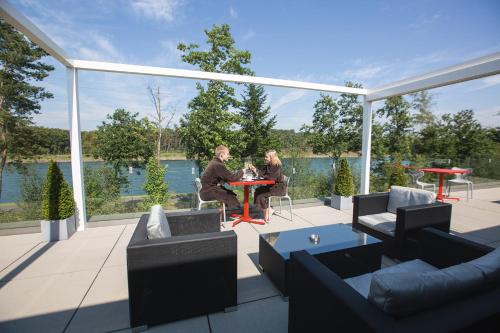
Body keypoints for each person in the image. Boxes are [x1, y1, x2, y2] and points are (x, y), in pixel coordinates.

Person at [200, 145, 244, 212]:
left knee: (229, 193)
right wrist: (243, 171)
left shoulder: (215, 162)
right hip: (207, 192)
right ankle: (222, 213)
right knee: (230, 195)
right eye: (227, 154)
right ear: (221, 155)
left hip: (207, 190)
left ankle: (224, 212)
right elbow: (231, 178)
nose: (229, 156)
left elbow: (227, 175)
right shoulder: (217, 165)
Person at [249, 150, 286, 222]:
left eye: (266, 157)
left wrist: (260, 174)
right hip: (271, 187)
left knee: (261, 195)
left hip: (278, 188)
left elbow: (271, 178)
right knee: (258, 190)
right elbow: (262, 173)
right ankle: (266, 210)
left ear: (272, 158)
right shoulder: (268, 165)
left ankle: (267, 213)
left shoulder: (277, 166)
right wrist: (255, 170)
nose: (265, 158)